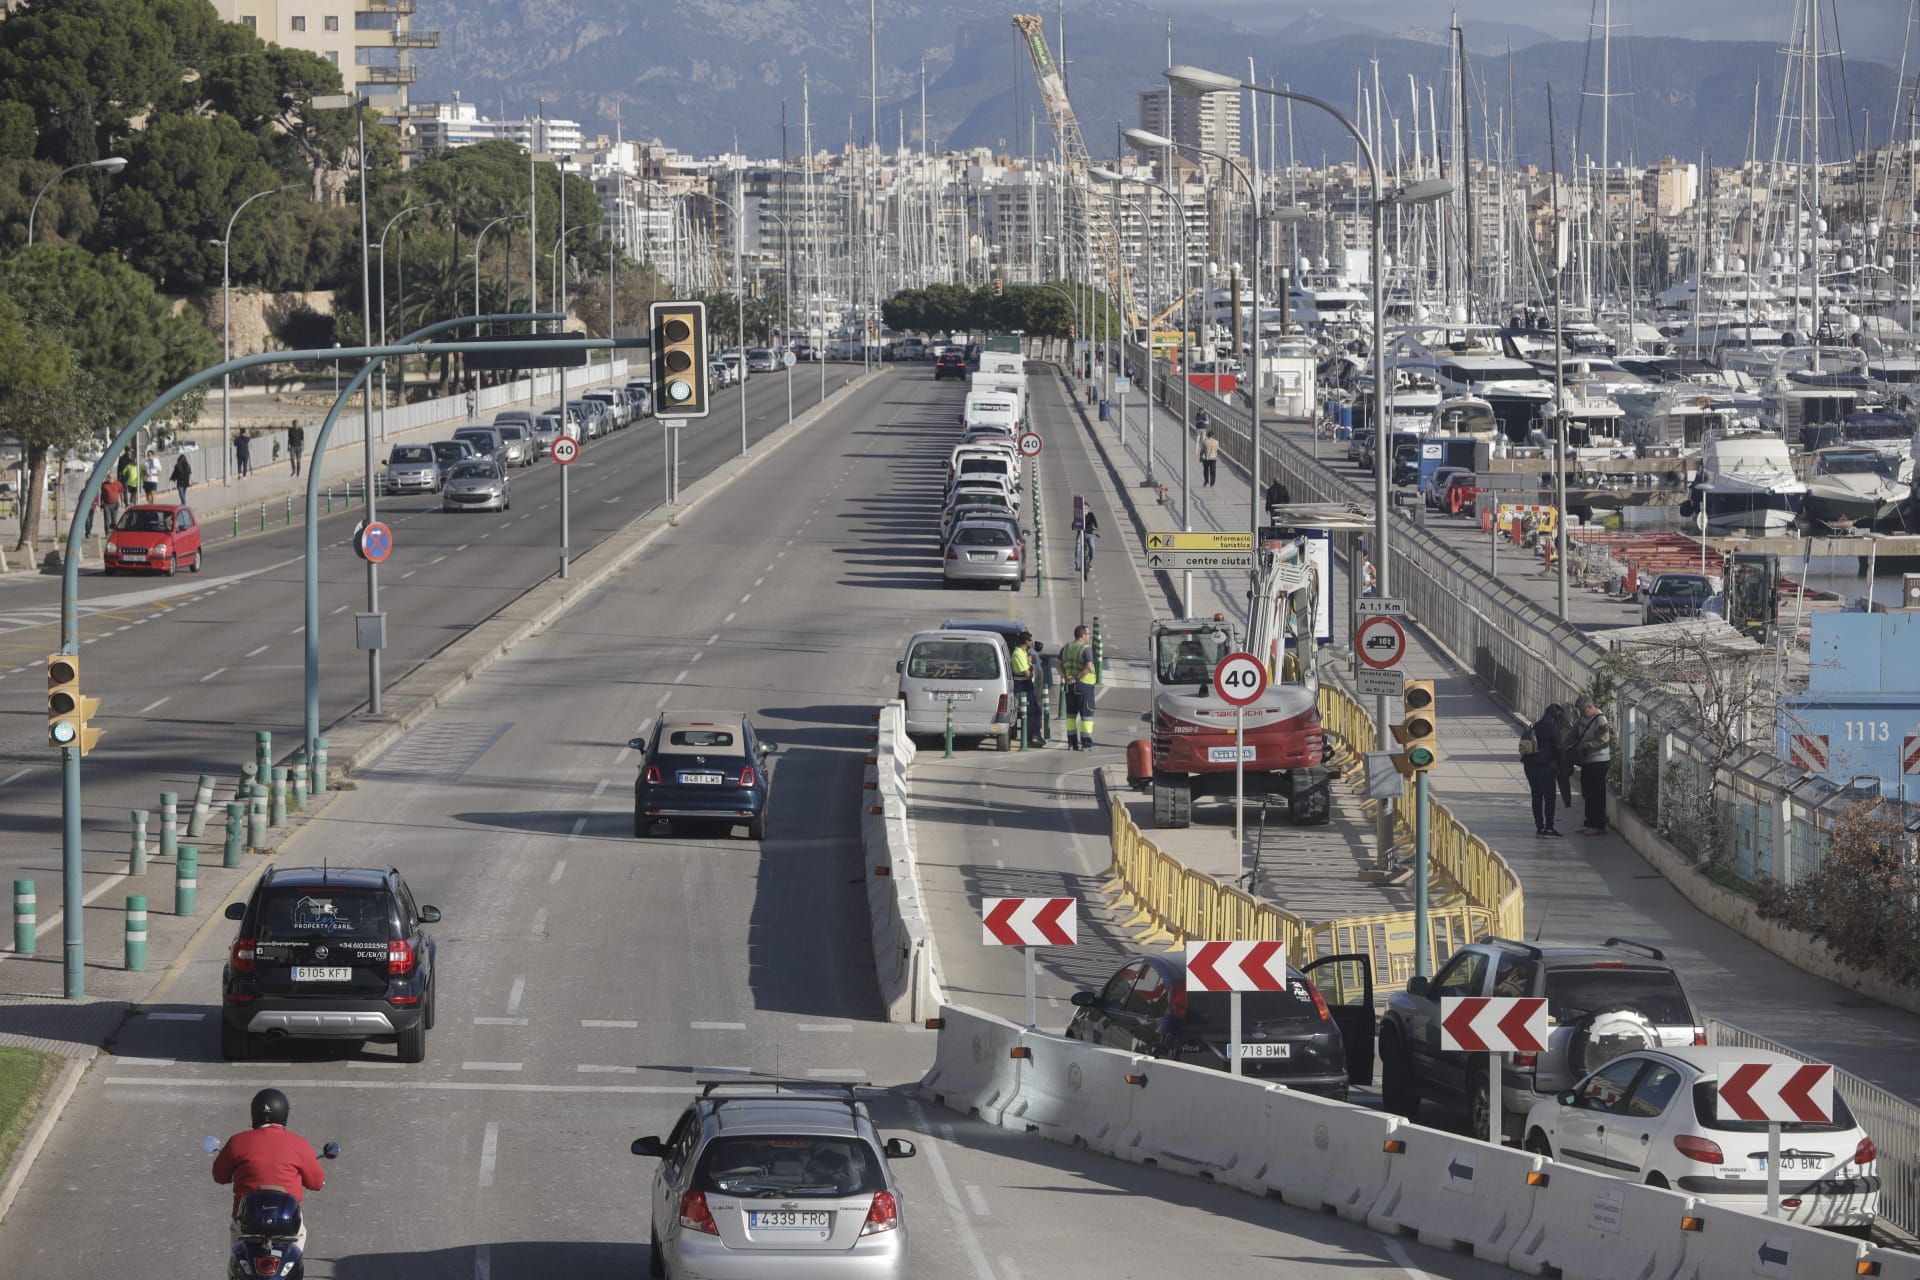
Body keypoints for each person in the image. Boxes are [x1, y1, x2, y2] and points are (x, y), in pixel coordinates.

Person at [212, 1088, 325, 1250]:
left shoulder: (237, 1141)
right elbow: (317, 1183)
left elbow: (219, 1176)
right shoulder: (300, 1144)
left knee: (238, 1251)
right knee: (300, 1233)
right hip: (286, 1224)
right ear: (284, 1113)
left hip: (247, 1223)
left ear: (254, 1112)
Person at [1564, 694, 1612, 835]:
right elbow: (1574, 733)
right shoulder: (1583, 718)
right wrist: (1564, 745)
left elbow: (1604, 740)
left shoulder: (1600, 720)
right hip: (1587, 761)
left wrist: (1588, 745)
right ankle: (1589, 822)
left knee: (1596, 793)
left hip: (1599, 761)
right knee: (1587, 792)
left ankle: (1598, 825)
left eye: (1582, 710)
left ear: (1590, 707)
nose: (1581, 713)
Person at [1522, 703, 1567, 837]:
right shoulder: (1553, 728)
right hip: (1545, 767)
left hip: (1530, 766)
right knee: (1549, 797)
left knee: (1536, 796)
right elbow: (1558, 749)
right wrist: (1562, 765)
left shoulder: (1535, 726)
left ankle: (1539, 826)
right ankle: (1549, 827)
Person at [1058, 624, 1098, 750]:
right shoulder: (1086, 648)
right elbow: (1088, 667)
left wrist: (1065, 677)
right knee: (1086, 716)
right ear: (1082, 635)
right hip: (1084, 686)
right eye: (1088, 634)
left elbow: (1058, 665)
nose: (1089, 636)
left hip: (1070, 686)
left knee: (1070, 716)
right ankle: (1086, 744)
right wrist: (1077, 678)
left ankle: (1072, 743)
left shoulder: (1066, 647)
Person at [1010, 632, 1044, 747]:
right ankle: (1030, 738)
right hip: (1022, 686)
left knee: (1036, 711)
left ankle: (1035, 735)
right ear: (1026, 642)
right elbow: (1027, 674)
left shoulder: (1024, 652)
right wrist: (1030, 664)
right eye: (1030, 641)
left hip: (1027, 685)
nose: (1031, 643)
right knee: (1030, 713)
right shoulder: (1018, 654)